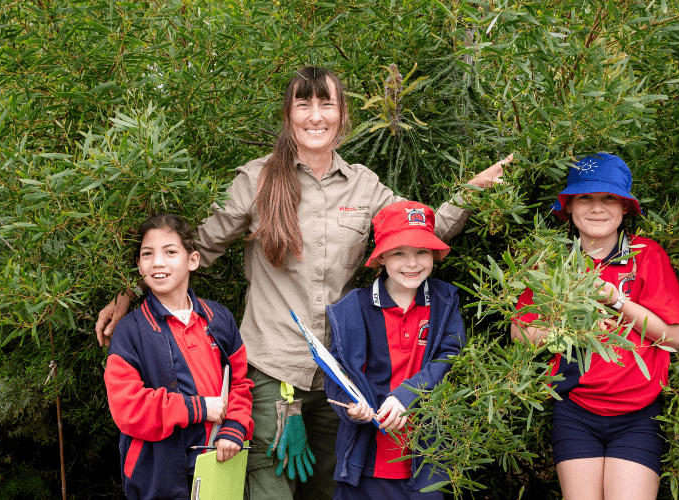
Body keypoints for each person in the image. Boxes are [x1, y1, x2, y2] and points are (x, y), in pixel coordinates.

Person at [95, 67, 506, 500]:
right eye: (303, 104)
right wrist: (128, 292)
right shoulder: (257, 180)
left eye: (326, 104)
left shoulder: (364, 186)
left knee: (331, 490)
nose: (315, 116)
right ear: (288, 115)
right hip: (271, 370)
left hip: (341, 376)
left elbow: (418, 232)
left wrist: (473, 192)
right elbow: (198, 245)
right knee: (269, 491)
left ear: (342, 115)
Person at [510, 153, 679, 500]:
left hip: (638, 412)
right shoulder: (552, 260)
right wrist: (572, 330)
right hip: (575, 408)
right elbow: (520, 335)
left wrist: (616, 301)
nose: (597, 208)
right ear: (570, 207)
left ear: (624, 208)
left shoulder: (646, 255)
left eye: (609, 198)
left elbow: (675, 337)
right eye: (585, 198)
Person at [104, 214, 254, 500]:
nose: (158, 262)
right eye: (147, 254)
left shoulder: (218, 318)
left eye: (170, 252)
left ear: (193, 260)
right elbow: (128, 408)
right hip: (158, 475)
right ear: (139, 266)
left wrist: (234, 428)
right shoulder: (130, 331)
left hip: (218, 464)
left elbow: (240, 383)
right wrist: (196, 408)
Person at [325, 201, 465, 500]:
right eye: (399, 252)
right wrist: (352, 408)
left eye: (422, 252)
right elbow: (335, 373)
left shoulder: (445, 300)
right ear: (382, 257)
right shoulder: (353, 308)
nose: (412, 263)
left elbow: (451, 357)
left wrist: (406, 396)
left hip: (428, 457)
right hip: (368, 460)